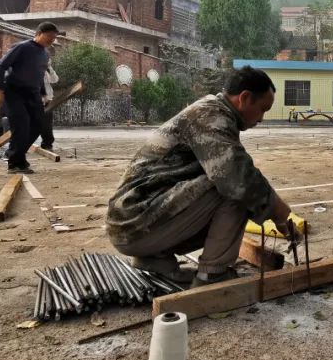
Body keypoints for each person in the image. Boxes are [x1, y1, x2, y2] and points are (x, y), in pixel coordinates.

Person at [107, 65, 296, 285]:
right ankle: (213, 275)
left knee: (234, 182)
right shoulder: (209, 116)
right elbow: (236, 178)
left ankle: (155, 259)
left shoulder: (215, 113)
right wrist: (278, 211)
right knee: (236, 187)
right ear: (244, 98)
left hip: (131, 224)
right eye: (263, 109)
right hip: (134, 224)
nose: (262, 118)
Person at [0, 22, 59, 173]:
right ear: (39, 33)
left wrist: (43, 94)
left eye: (54, 38)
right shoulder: (22, 47)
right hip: (14, 92)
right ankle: (15, 163)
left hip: (33, 94)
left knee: (38, 125)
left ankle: (15, 154)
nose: (51, 40)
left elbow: (40, 76)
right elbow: (0, 66)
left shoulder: (44, 54)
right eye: (49, 36)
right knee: (21, 126)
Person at [38, 58, 60, 151]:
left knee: (47, 124)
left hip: (48, 101)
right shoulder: (33, 68)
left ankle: (47, 144)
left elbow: (55, 80)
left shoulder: (47, 70)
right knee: (32, 123)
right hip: (36, 100)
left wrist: (49, 68)